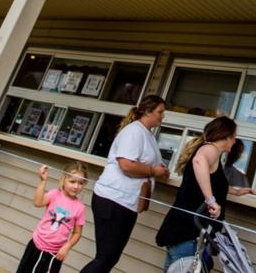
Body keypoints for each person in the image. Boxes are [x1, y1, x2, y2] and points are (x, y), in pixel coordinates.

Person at [81, 95, 169, 273]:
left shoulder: (148, 135)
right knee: (105, 258)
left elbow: (149, 164)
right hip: (113, 199)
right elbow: (126, 165)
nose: (162, 116)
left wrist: (161, 171)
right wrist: (153, 171)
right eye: (160, 112)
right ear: (147, 111)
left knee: (110, 258)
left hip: (126, 203)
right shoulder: (134, 131)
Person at [156, 116, 237, 271]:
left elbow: (212, 183)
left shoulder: (212, 153)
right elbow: (199, 161)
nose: (234, 141)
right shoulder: (210, 149)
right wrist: (211, 201)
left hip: (183, 230)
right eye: (234, 137)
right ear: (226, 137)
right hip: (188, 233)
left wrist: (236, 192)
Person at [16, 161, 87, 273]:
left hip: (56, 253)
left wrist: (67, 247)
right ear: (63, 179)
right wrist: (43, 181)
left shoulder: (80, 208)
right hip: (36, 245)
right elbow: (37, 202)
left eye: (81, 183)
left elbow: (77, 233)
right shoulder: (55, 194)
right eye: (72, 181)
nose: (76, 186)